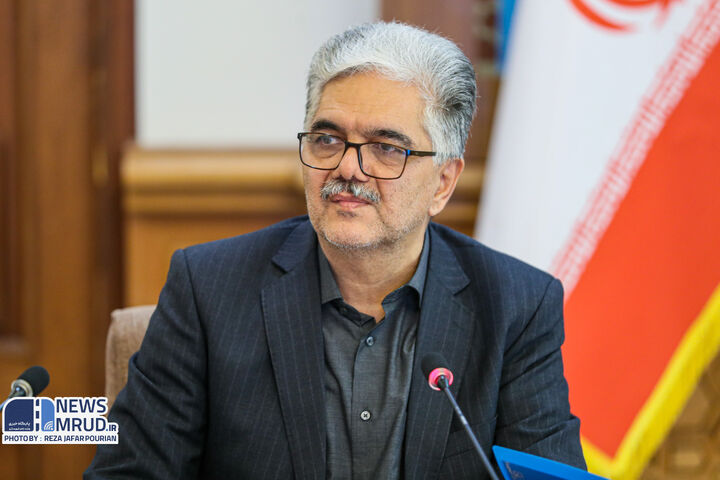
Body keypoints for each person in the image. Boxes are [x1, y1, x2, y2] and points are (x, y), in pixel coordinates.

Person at [85, 22, 585, 479]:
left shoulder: (516, 306)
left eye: (387, 148)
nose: (348, 167)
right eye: (327, 139)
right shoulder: (209, 289)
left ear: (443, 183)